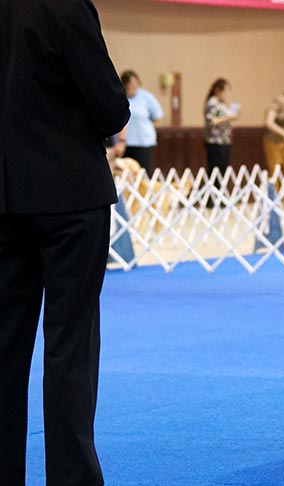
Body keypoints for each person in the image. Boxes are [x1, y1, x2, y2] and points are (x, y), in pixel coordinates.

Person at [1, 1, 130, 484]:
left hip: (5, 197)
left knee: (5, 348)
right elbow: (111, 106)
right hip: (69, 196)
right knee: (69, 345)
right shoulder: (65, 6)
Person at [121, 69, 164, 175]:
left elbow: (157, 116)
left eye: (135, 85)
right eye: (130, 85)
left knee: (143, 173)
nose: (133, 88)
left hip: (143, 142)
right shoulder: (121, 97)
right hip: (125, 143)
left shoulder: (147, 97)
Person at [204, 78, 239, 177]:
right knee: (216, 170)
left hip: (225, 140)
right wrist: (229, 116)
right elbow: (214, 120)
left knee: (223, 170)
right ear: (217, 90)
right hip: (216, 142)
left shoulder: (222, 104)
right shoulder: (213, 103)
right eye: (225, 90)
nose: (227, 93)